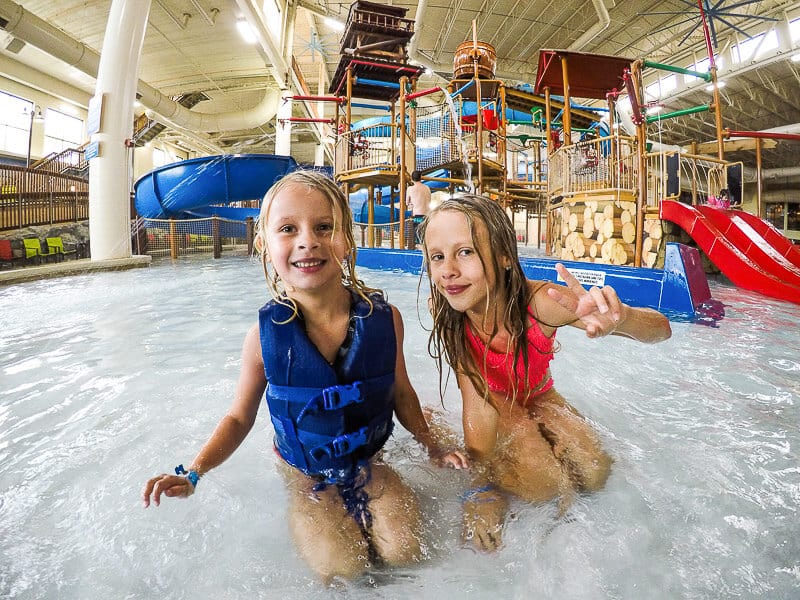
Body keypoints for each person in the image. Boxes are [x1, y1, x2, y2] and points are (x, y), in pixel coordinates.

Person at [142, 170, 467, 582]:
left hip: (369, 458)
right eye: (288, 229)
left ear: (347, 241)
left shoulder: (386, 320)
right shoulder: (262, 339)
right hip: (304, 471)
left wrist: (433, 445)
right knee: (342, 572)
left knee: (406, 553)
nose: (307, 241)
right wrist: (193, 472)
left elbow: (402, 392)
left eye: (324, 227)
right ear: (264, 246)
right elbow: (239, 418)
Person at [420, 195, 672, 552]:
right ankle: (451, 436)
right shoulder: (447, 310)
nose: (448, 270)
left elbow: (663, 330)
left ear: (505, 256)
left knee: (595, 473)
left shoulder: (541, 303)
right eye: (437, 257)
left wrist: (622, 319)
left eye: (466, 252)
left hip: (539, 394)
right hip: (493, 400)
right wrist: (481, 489)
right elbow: (476, 403)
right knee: (541, 487)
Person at [406, 170, 431, 247]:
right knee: (425, 238)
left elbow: (407, 203)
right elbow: (429, 200)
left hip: (417, 216)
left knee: (417, 240)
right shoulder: (427, 188)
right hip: (427, 216)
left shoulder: (410, 189)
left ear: (412, 178)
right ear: (421, 178)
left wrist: (411, 204)